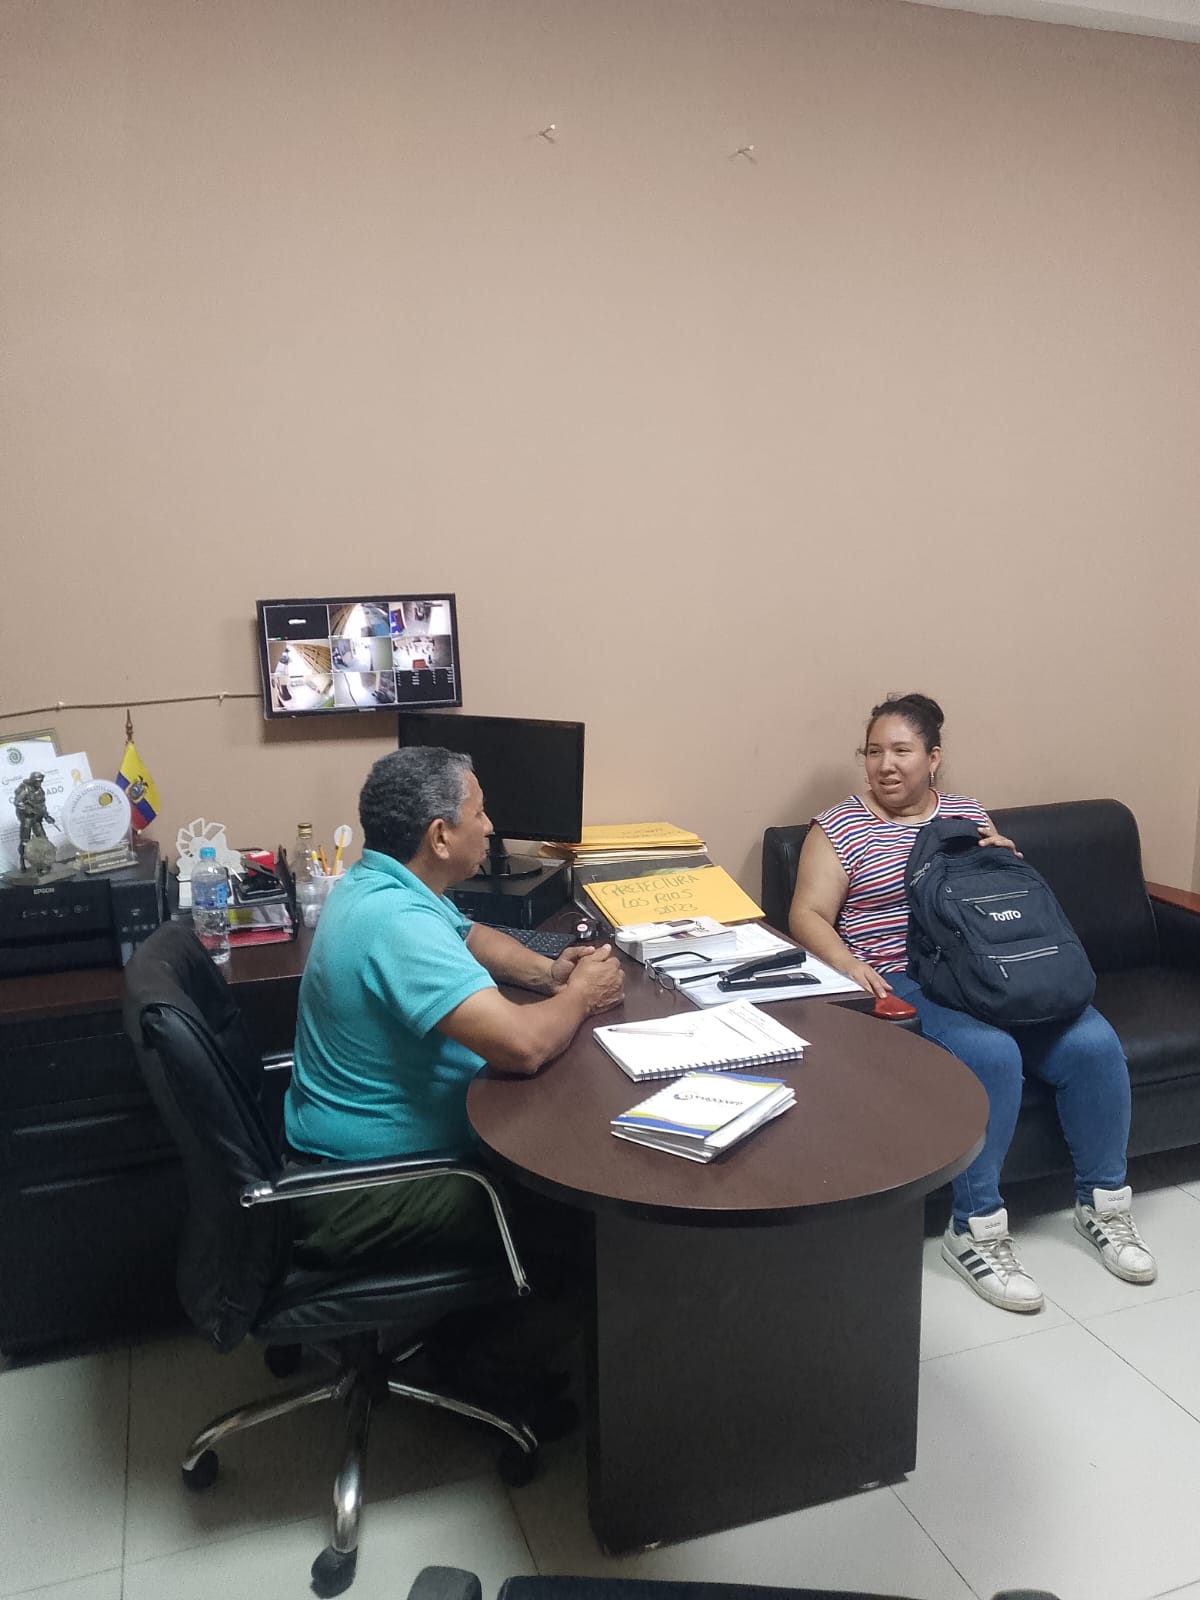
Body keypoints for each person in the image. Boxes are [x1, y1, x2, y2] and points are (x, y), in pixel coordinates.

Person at [788, 692, 1155, 1314]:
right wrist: (850, 966)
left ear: (933, 758)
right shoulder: (839, 827)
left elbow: (1000, 896)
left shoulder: (965, 815)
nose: (885, 765)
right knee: (990, 1052)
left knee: (1093, 1044)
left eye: (901, 751)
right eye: (873, 752)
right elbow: (807, 914)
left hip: (986, 970)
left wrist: (1003, 859)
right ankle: (974, 1230)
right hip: (900, 978)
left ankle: (1104, 1205)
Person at [284, 745, 624, 1405]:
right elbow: (523, 1047)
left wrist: (549, 973)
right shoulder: (395, 925)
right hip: (368, 1187)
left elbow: (468, 936)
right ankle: (485, 1372)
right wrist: (582, 997)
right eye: (480, 812)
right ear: (440, 836)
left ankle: (468, 1333)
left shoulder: (378, 883)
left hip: (347, 1151)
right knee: (582, 1226)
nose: (491, 827)